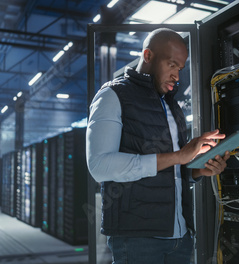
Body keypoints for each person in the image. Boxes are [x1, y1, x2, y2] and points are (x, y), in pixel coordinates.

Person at [86, 28, 230, 264]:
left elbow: (173, 169)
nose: (176, 76)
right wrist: (178, 156)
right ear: (148, 55)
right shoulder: (112, 95)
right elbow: (100, 166)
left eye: (180, 69)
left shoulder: (169, 105)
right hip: (138, 240)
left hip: (180, 236)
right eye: (171, 65)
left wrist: (198, 171)